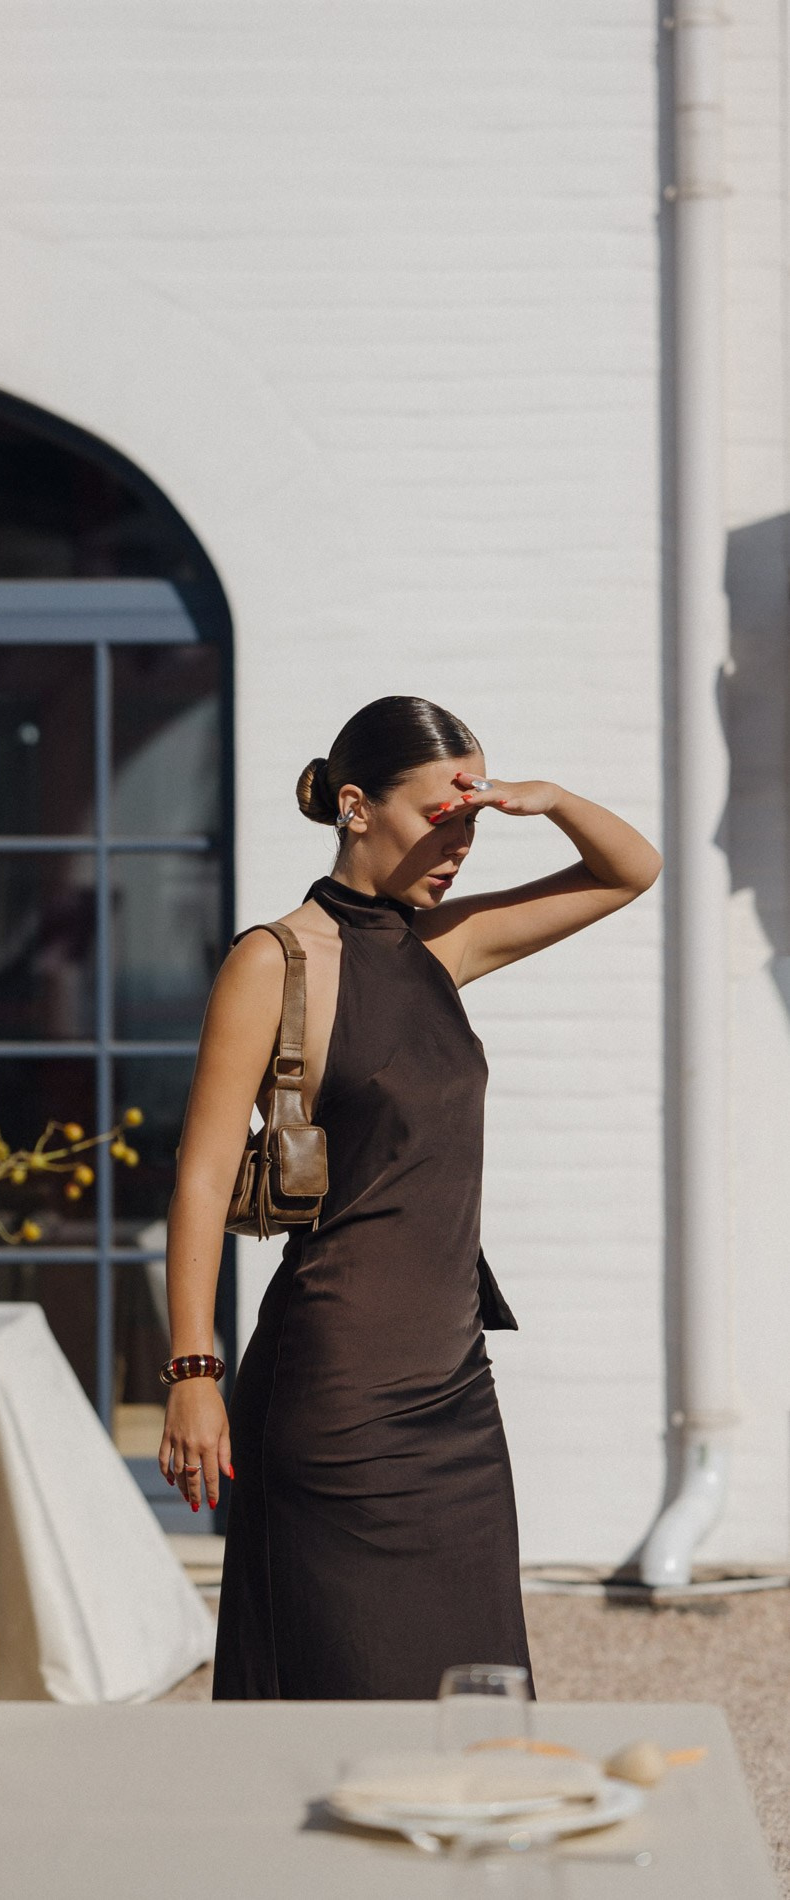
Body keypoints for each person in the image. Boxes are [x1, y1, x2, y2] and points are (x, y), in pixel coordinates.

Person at [159, 695, 662, 1700]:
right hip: (334, 1388)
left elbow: (630, 870)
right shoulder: (275, 962)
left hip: (453, 1391)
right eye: (444, 815)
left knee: (474, 1695)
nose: (465, 842)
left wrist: (547, 800)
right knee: (342, 1701)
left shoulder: (446, 945)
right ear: (355, 807)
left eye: (474, 818)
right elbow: (204, 1175)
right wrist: (191, 1370)